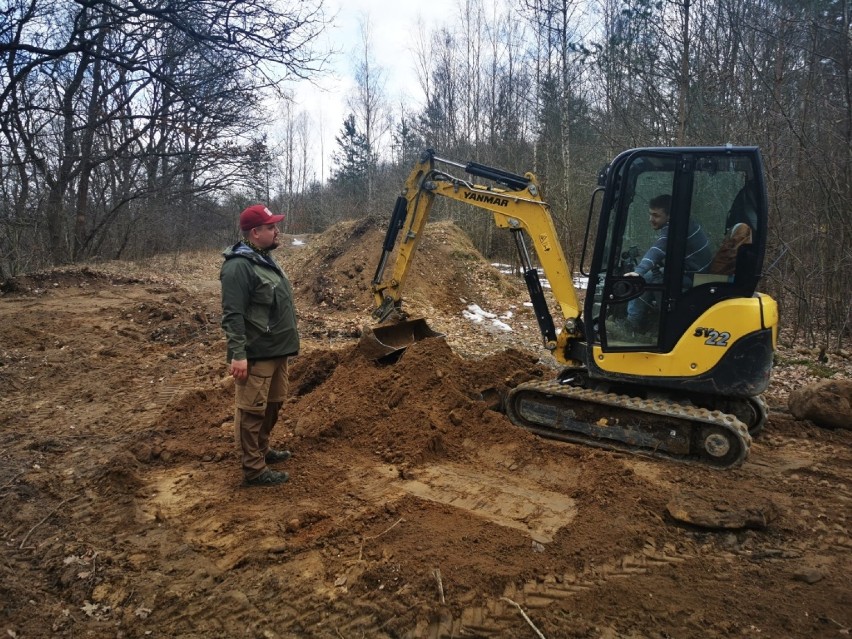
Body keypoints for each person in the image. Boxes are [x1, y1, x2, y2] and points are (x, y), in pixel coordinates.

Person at [220, 204, 299, 487]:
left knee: (273, 405)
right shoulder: (238, 266)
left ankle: (263, 450)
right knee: (252, 411)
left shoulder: (263, 259)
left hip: (278, 349)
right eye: (271, 227)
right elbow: (233, 315)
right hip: (257, 351)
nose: (277, 231)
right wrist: (238, 354)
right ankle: (253, 469)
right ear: (255, 232)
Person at [624, 194, 712, 333]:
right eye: (650, 214)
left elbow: (659, 248)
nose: (650, 219)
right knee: (653, 273)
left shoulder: (675, 228)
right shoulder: (686, 222)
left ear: (670, 216)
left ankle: (631, 326)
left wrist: (639, 271)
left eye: (656, 215)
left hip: (694, 277)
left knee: (644, 279)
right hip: (694, 271)